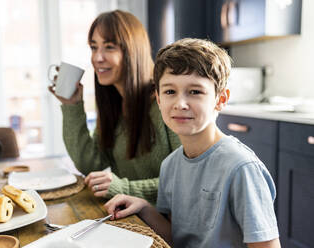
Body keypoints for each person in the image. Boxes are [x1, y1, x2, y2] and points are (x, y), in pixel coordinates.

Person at [104, 38, 281, 248]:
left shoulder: (241, 168)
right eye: (170, 92)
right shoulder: (170, 165)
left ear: (221, 99)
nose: (180, 104)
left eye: (195, 92)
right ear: (159, 100)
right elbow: (175, 237)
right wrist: (143, 207)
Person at [49, 10, 180, 203]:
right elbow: (91, 164)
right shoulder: (115, 103)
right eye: (94, 48)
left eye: (109, 47)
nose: (97, 58)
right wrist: (72, 106)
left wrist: (125, 188)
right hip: (130, 216)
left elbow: (189, 180)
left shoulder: (166, 102)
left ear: (133, 50)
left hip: (165, 224)